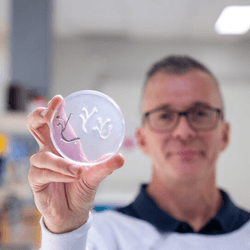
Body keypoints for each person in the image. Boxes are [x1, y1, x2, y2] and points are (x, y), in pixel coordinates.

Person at [26, 55, 250, 250]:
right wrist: (63, 232)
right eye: (164, 116)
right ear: (142, 139)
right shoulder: (96, 237)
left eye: (200, 114)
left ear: (225, 135)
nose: (184, 131)